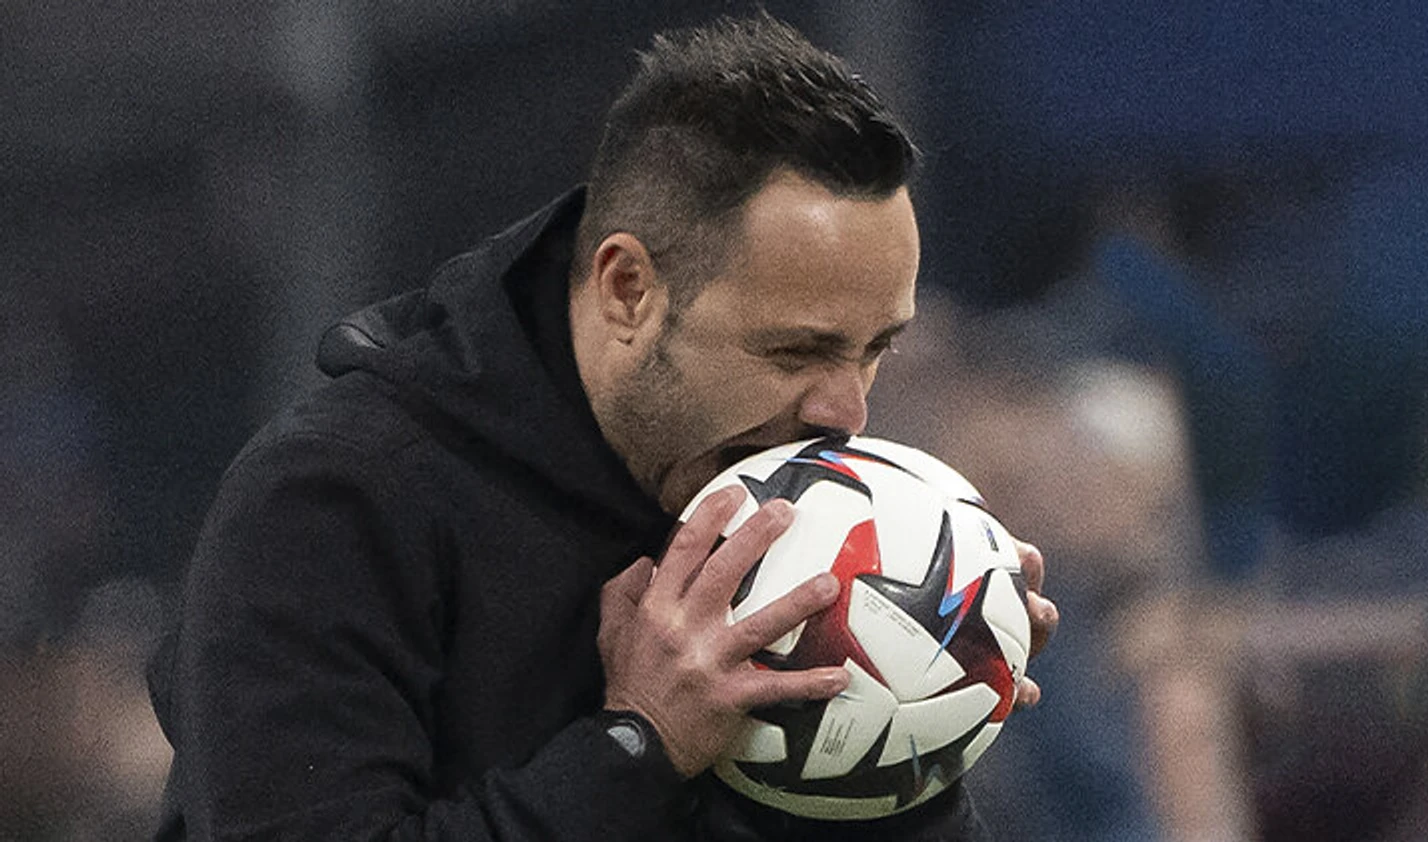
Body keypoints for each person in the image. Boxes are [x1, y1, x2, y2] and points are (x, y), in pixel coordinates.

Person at [147, 14, 1059, 841]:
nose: (845, 411)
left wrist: (913, 724)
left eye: (874, 350)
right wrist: (640, 747)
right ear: (628, 289)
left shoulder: (799, 500)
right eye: (795, 352)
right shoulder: (334, 502)